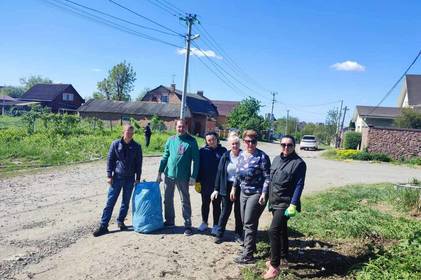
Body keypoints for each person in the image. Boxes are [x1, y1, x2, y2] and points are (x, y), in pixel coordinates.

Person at [262, 135, 306, 279]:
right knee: (281, 230)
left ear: (294, 146)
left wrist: (293, 204)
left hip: (286, 203)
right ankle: (284, 258)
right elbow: (271, 180)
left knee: (273, 231)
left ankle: (275, 266)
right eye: (283, 145)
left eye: (289, 145)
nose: (286, 147)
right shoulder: (276, 159)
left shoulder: (299, 163)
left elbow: (299, 185)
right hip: (275, 201)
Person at [93, 124, 143, 237]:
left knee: (125, 202)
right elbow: (110, 160)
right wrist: (109, 175)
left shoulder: (137, 146)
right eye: (127, 132)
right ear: (123, 132)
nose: (129, 134)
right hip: (117, 178)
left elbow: (139, 164)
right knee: (110, 202)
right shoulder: (115, 144)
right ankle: (103, 226)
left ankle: (121, 221)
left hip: (130, 179)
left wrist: (138, 178)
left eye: (131, 132)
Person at [232, 130, 271, 264]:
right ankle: (251, 247)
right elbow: (237, 174)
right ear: (244, 142)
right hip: (243, 193)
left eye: (253, 141)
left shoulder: (262, 157)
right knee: (245, 222)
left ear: (256, 142)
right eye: (247, 141)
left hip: (257, 193)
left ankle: (248, 255)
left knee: (249, 222)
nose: (250, 144)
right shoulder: (242, 155)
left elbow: (268, 177)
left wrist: (264, 193)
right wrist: (234, 188)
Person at [156, 119, 199, 236]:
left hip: (183, 177)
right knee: (168, 199)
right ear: (176, 127)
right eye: (179, 127)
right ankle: (169, 221)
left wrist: (193, 176)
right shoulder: (171, 140)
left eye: (183, 127)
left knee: (185, 200)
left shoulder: (192, 141)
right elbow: (165, 157)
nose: (181, 129)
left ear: (186, 127)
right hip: (169, 176)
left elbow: (196, 160)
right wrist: (160, 172)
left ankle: (188, 225)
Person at [212, 132, 243, 244]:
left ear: (239, 144)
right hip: (226, 186)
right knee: (225, 211)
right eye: (233, 144)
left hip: (240, 187)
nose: (234, 146)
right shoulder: (225, 156)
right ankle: (219, 234)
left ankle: (238, 235)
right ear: (230, 145)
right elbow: (219, 172)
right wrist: (216, 188)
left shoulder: (244, 156)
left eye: (236, 143)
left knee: (238, 212)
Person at [197, 131, 227, 234]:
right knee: (205, 204)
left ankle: (215, 225)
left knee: (216, 205)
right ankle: (204, 223)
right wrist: (197, 180)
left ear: (217, 140)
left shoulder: (223, 151)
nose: (211, 142)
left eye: (213, 139)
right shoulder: (202, 151)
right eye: (209, 140)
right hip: (205, 183)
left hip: (217, 184)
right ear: (206, 141)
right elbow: (199, 167)